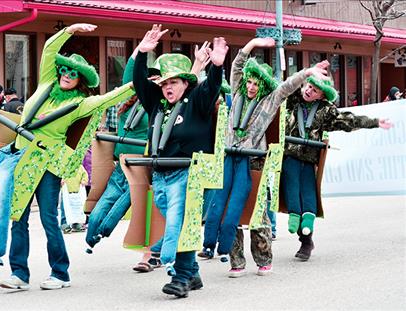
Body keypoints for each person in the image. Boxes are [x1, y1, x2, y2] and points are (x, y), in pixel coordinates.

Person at [0, 23, 134, 291]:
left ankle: (60, 273)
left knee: (49, 219)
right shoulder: (45, 85)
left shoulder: (79, 104)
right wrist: (69, 30)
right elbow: (49, 50)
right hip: (19, 158)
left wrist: (140, 82)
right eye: (64, 69)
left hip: (47, 165)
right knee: (18, 217)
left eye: (73, 73)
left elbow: (112, 97)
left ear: (81, 80)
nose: (66, 74)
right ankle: (19, 273)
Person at [200, 37, 330, 278]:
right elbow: (237, 66)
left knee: (257, 213)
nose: (250, 87)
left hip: (254, 161)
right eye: (249, 82)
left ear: (262, 87)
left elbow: (287, 86)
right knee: (231, 211)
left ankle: (263, 258)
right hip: (229, 158)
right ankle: (236, 261)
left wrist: (307, 72)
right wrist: (252, 43)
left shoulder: (268, 102)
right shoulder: (237, 92)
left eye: (255, 84)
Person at [134, 24, 228, 298]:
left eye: (173, 82)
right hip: (161, 175)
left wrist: (217, 66)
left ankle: (181, 276)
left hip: (189, 174)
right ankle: (193, 272)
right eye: (164, 83)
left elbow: (210, 88)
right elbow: (139, 82)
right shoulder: (157, 104)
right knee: (177, 219)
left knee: (180, 223)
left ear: (186, 83)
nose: (167, 87)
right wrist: (142, 52)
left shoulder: (196, 100)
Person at [282, 75, 393, 261]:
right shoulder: (292, 100)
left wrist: (374, 123)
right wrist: (309, 71)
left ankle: (306, 241)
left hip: (309, 161)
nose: (308, 91)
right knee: (292, 197)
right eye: (308, 86)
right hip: (289, 158)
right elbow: (285, 87)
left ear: (321, 96)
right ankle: (301, 232)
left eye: (314, 90)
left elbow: (348, 120)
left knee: (308, 196)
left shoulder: (326, 111)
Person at [85, 46, 149, 253]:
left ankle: (97, 234)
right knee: (107, 209)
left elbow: (129, 79)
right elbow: (130, 77)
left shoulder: (141, 104)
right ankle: (98, 234)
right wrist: (140, 51)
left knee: (110, 207)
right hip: (130, 164)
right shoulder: (138, 104)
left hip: (131, 164)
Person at [59, 164, 88, 233]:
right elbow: (59, 175)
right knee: (65, 209)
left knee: (76, 209)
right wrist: (60, 180)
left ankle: (76, 224)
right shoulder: (63, 167)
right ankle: (64, 224)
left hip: (77, 192)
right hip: (66, 193)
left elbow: (85, 174)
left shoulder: (80, 167)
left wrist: (84, 180)